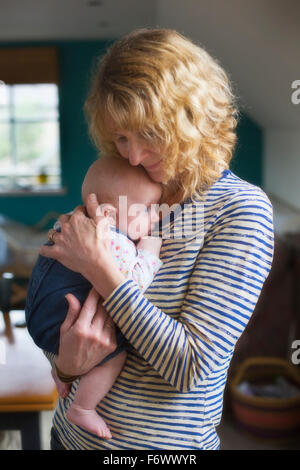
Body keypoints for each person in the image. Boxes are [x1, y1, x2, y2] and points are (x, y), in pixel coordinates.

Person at [32, 28, 273, 450]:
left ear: (191, 116)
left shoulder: (240, 211)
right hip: (67, 439)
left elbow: (190, 367)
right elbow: (64, 307)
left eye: (149, 133)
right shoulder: (124, 185)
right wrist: (67, 368)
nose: (134, 155)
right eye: (122, 137)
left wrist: (101, 269)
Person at [25, 156, 163, 439]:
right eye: (148, 210)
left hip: (41, 314)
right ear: (110, 215)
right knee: (116, 353)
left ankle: (58, 367)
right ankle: (83, 407)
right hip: (62, 321)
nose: (157, 217)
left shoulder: (76, 224)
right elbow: (133, 284)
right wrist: (149, 253)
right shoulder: (115, 242)